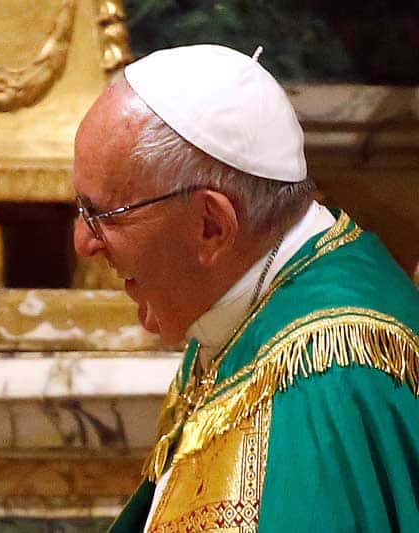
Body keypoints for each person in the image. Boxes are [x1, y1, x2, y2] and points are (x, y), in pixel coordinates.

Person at [72, 44, 419, 532]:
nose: (82, 242)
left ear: (211, 226)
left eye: (102, 215)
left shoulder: (325, 386)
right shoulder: (240, 305)